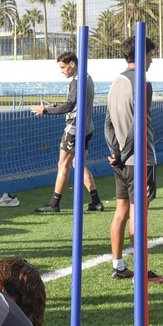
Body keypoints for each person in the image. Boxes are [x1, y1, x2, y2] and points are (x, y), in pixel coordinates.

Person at [104, 36, 163, 284]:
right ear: (144, 54)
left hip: (120, 161)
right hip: (139, 160)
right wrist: (125, 151)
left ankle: (118, 266)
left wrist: (115, 151)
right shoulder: (143, 83)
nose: (152, 59)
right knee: (138, 216)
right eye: (151, 54)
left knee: (121, 213)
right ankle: (141, 272)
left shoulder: (115, 82)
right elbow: (138, 125)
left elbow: (108, 122)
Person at [23, 52, 101, 213]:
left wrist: (45, 110)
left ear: (72, 64)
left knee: (63, 164)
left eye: (63, 67)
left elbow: (70, 106)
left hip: (74, 128)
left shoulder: (76, 81)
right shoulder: (88, 77)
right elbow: (74, 103)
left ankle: (54, 204)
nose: (62, 71)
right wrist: (57, 105)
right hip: (87, 127)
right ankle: (96, 201)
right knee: (78, 164)